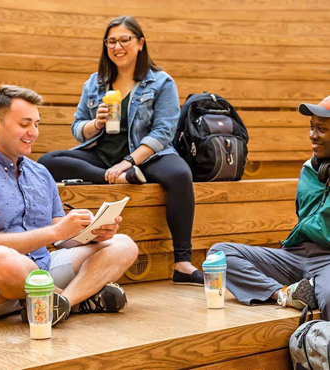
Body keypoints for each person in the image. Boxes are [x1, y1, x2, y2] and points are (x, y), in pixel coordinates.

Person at [0, 85, 139, 326]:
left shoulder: (40, 173)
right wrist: (56, 232)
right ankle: (80, 298)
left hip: (42, 271)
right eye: (24, 124)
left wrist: (92, 233)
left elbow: (61, 237)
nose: (33, 132)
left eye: (36, 124)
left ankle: (62, 303)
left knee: (124, 244)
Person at [37, 15, 201, 286]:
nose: (117, 46)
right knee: (47, 160)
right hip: (103, 156)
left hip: (146, 156)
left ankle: (182, 263)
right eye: (111, 41)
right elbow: (78, 127)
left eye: (125, 39)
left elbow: (163, 132)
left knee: (180, 174)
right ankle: (110, 177)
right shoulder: (95, 83)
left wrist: (128, 162)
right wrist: (95, 122)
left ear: (140, 43)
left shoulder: (160, 82)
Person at [210, 96, 330, 319]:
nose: (312, 135)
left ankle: (317, 287)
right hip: (295, 254)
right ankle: (285, 294)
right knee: (220, 254)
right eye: (312, 127)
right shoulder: (309, 171)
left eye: (321, 129)